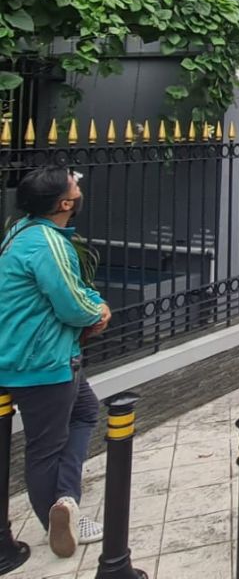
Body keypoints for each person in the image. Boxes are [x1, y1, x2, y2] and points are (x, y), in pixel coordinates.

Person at [0, 168, 109, 558]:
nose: (79, 189)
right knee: (45, 446)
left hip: (38, 353)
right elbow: (71, 303)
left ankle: (66, 500)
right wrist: (99, 310)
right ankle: (59, 519)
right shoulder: (48, 243)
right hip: (42, 359)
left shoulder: (22, 232)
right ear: (65, 204)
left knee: (84, 412)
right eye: (74, 187)